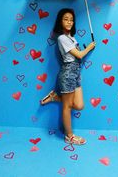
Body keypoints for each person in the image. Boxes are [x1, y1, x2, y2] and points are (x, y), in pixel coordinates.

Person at [40, 8, 96, 145]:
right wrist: (89, 47)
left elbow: (77, 55)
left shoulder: (71, 38)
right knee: (67, 107)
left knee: (79, 105)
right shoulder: (62, 38)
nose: (69, 22)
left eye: (71, 19)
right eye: (66, 19)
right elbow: (79, 55)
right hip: (68, 73)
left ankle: (55, 96)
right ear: (60, 21)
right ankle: (69, 136)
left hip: (76, 73)